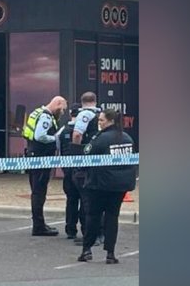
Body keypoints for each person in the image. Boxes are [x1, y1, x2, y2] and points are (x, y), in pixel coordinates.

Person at [75, 108, 136, 264]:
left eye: (101, 120)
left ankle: (86, 250)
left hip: (99, 185)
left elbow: (86, 156)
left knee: (92, 216)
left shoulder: (100, 138)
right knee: (112, 217)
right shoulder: (127, 138)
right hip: (120, 186)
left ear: (110, 121)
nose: (99, 123)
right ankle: (110, 253)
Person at [22, 95, 68, 236]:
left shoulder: (37, 112)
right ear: (58, 103)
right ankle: (38, 226)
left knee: (37, 191)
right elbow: (39, 136)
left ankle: (39, 224)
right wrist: (55, 139)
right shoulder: (46, 117)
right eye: (62, 109)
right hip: (40, 158)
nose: (62, 112)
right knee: (39, 193)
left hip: (34, 156)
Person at [70, 92, 103, 246]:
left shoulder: (84, 115)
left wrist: (76, 155)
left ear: (82, 102)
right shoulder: (101, 113)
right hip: (101, 160)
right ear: (95, 101)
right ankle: (101, 233)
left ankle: (90, 235)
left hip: (87, 161)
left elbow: (77, 135)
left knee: (87, 199)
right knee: (99, 197)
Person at [58, 104, 87, 241]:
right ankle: (85, 229)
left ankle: (70, 230)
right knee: (84, 200)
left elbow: (58, 149)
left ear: (70, 114)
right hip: (81, 170)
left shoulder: (63, 130)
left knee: (71, 201)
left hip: (68, 171)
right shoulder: (83, 130)